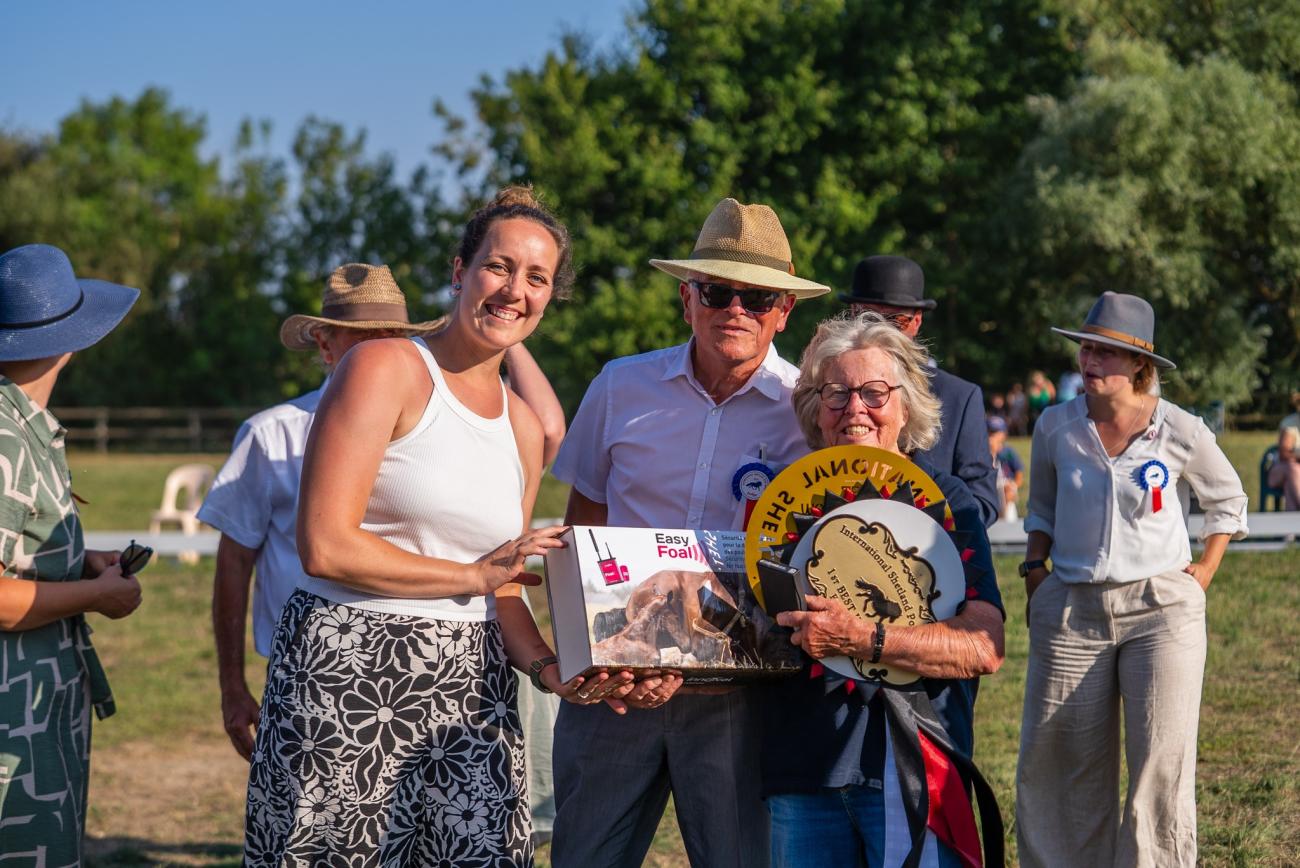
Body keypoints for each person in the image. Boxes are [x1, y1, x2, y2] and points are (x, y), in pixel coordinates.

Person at [243, 187, 616, 864]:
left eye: (537, 278)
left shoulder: (525, 426)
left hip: (474, 694)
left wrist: (549, 667)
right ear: (458, 271)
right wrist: (470, 575)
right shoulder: (383, 367)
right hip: (348, 675)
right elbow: (324, 544)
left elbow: (502, 585)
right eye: (499, 267)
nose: (514, 291)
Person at [549, 197, 830, 867]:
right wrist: (594, 650)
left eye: (757, 296)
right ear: (687, 299)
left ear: (784, 312)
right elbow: (581, 527)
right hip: (616, 689)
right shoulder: (620, 386)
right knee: (585, 856)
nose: (736, 308)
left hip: (741, 697)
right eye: (717, 290)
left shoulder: (808, 414)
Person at [763, 312, 1005, 868]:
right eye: (836, 392)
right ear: (814, 409)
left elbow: (982, 646)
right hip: (802, 774)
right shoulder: (779, 505)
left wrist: (863, 638)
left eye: (874, 392)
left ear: (906, 405)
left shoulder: (948, 504)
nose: (855, 408)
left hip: (913, 773)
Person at [1016, 292, 1248, 868]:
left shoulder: (1182, 430)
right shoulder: (1054, 426)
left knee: (1159, 769)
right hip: (1070, 609)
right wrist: (1036, 576)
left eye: (1104, 352)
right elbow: (1039, 509)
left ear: (1138, 364)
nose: (1088, 360)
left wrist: (1203, 573)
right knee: (1058, 763)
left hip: (1161, 610)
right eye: (1085, 348)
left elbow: (1229, 500)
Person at [199, 263, 443, 761]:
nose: (381, 355)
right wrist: (231, 685)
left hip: (416, 659)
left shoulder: (433, 431)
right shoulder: (273, 434)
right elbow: (233, 561)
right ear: (325, 346)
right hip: (308, 665)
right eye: (362, 340)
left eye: (392, 339)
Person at [0, 244, 144, 864]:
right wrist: (97, 594)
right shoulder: (4, 435)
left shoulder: (23, 421)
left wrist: (80, 560)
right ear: (71, 341)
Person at [839, 256, 999, 527]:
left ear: (917, 321)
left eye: (895, 320)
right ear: (852, 314)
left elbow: (982, 502)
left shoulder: (959, 397)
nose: (881, 329)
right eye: (869, 317)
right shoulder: (825, 387)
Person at [1267, 391, 1300, 509]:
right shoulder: (1290, 423)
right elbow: (1284, 454)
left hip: (1292, 479)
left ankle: (1293, 525)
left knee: (1290, 486)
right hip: (1280, 470)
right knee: (1293, 469)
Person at [987, 415, 1023, 521]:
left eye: (996, 433)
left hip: (1007, 488)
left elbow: (1019, 474)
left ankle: (1007, 524)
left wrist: (1013, 486)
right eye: (989, 432)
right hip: (992, 487)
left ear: (1003, 434)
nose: (992, 437)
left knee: (1007, 493)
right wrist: (992, 452)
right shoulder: (983, 454)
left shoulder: (1008, 453)